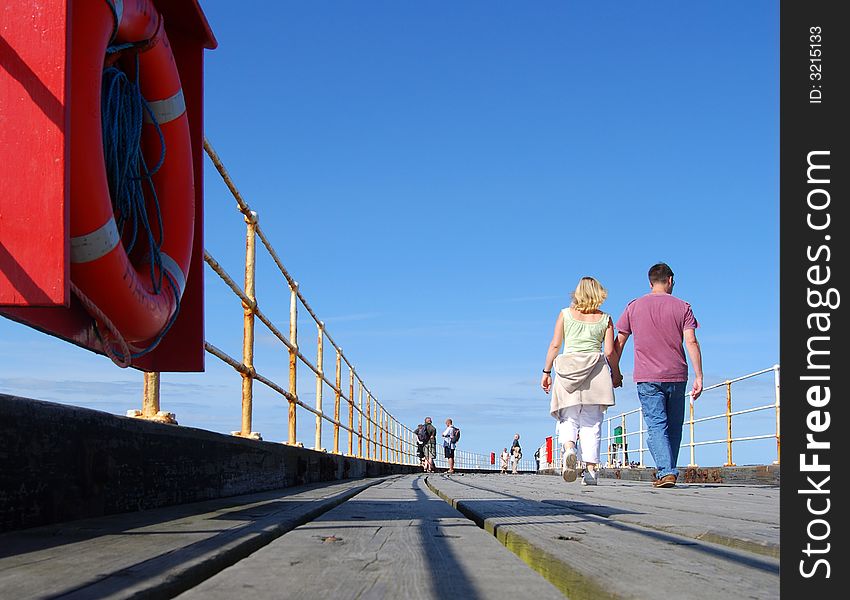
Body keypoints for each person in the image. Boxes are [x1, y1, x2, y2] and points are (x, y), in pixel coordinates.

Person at [615, 262, 703, 489]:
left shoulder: (633, 307)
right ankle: (668, 471)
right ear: (671, 280)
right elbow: (691, 341)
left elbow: (619, 342)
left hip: (647, 375)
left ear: (650, 281)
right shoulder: (683, 307)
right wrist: (699, 376)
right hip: (677, 374)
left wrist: (614, 371)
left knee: (656, 424)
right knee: (674, 426)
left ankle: (666, 471)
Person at [541, 276, 623, 486]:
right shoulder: (605, 319)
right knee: (592, 422)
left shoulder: (565, 314)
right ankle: (591, 471)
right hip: (595, 372)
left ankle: (570, 449)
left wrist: (546, 371)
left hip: (568, 370)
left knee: (568, 416)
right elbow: (609, 351)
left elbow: (555, 345)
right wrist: (616, 373)